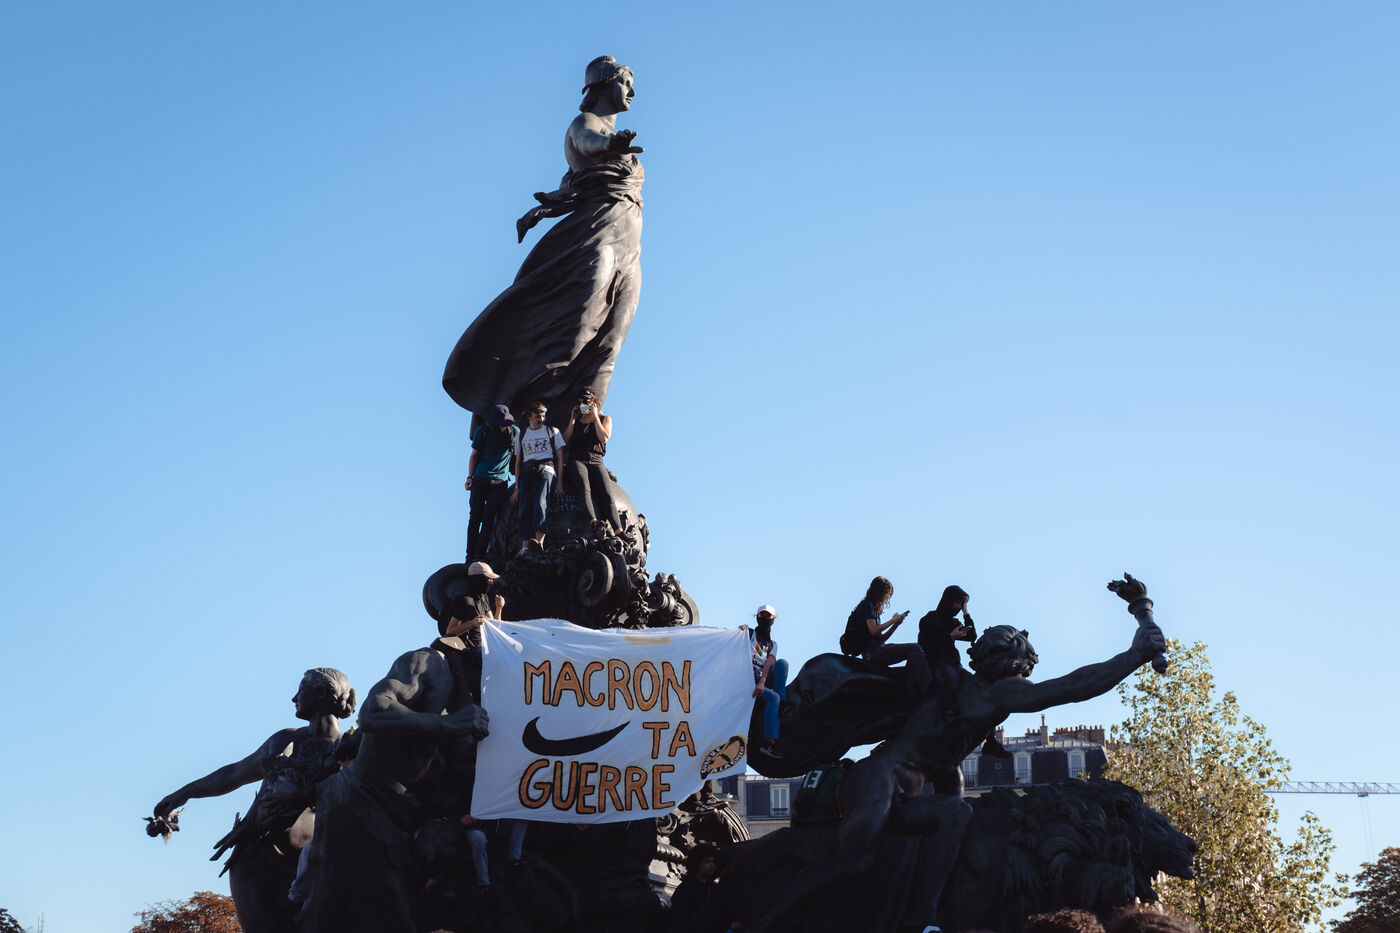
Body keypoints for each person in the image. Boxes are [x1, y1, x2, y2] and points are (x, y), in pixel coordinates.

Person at [752, 574, 1169, 933]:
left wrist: (1141, 613)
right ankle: (764, 924)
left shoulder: (959, 689)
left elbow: (945, 763)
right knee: (851, 863)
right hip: (881, 779)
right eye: (1026, 667)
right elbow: (1072, 687)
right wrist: (1135, 649)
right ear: (1017, 664)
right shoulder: (991, 694)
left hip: (906, 782)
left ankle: (926, 914)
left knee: (958, 812)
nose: (1027, 677)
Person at [442, 55, 643, 425]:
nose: (632, 91)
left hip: (630, 248)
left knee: (610, 342)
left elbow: (577, 181)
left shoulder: (613, 138)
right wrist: (610, 144)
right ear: (602, 84)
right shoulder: (586, 124)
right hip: (597, 238)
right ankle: (528, 418)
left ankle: (583, 434)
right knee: (576, 328)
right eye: (625, 82)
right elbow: (588, 143)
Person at [294, 604, 490, 933]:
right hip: (360, 804)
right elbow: (373, 712)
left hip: (413, 817)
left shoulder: (486, 691)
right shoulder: (428, 663)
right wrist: (449, 724)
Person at [149, 668, 356, 933]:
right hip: (256, 859)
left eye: (301, 690)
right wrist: (184, 793)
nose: (294, 698)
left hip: (315, 864)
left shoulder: (350, 752)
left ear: (320, 694)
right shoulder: (284, 739)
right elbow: (234, 774)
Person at [918, 586, 1011, 758]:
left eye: (961, 604)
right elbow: (924, 643)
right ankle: (943, 718)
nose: (958, 606)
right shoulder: (929, 619)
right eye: (957, 602)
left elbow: (972, 635)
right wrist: (950, 638)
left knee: (979, 688)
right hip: (937, 663)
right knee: (949, 679)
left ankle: (990, 740)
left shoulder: (954, 623)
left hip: (954, 664)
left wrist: (966, 612)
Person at [841, 576, 931, 694]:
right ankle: (918, 688)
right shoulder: (867, 605)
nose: (888, 598)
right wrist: (893, 620)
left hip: (877, 649)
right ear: (881, 592)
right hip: (872, 652)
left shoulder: (874, 611)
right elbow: (873, 630)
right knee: (914, 648)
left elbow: (881, 638)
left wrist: (896, 624)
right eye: (888, 594)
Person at [561, 386, 625, 531]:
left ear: (594, 402)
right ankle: (593, 521)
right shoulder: (576, 421)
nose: (583, 404)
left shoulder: (604, 419)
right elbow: (564, 441)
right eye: (580, 402)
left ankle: (618, 530)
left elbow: (604, 438)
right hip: (577, 458)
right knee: (584, 486)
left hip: (596, 459)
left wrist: (595, 417)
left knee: (606, 493)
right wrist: (572, 420)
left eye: (586, 401)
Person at [464, 404, 516, 562]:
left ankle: (479, 556)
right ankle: (470, 555)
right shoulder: (482, 431)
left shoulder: (514, 432)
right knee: (475, 518)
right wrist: (469, 477)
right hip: (480, 478)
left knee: (489, 518)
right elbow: (474, 454)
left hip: (499, 482)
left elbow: (518, 457)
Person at [511, 401, 564, 553]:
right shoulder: (521, 435)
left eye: (543, 416)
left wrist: (559, 482)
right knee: (524, 506)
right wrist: (516, 487)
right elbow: (518, 462)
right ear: (529, 416)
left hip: (547, 468)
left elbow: (560, 458)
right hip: (528, 472)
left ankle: (539, 541)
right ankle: (525, 546)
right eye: (537, 416)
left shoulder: (552, 431)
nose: (541, 419)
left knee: (541, 501)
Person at [740, 604, 788, 758]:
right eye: (762, 615)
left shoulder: (772, 644)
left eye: (768, 616)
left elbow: (769, 663)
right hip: (745, 678)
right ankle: (769, 743)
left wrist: (762, 681)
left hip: (761, 678)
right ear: (757, 617)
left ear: (773, 619)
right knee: (773, 698)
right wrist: (739, 632)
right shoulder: (748, 633)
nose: (765, 618)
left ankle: (781, 705)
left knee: (782, 664)